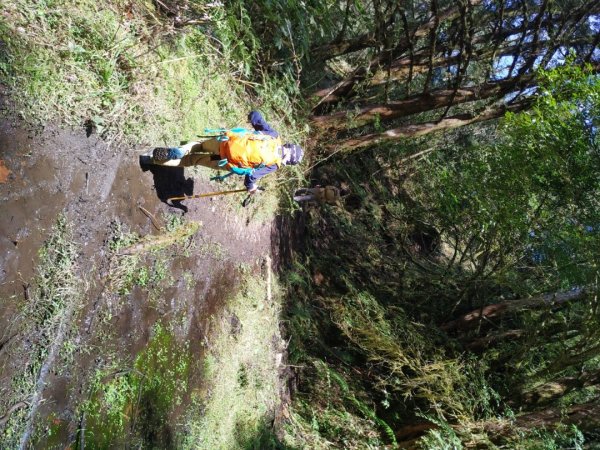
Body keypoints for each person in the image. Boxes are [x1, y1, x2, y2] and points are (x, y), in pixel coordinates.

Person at [153, 111, 303, 194]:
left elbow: (256, 116)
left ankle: (182, 150)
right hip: (224, 160)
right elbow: (251, 176)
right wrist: (252, 188)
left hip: (225, 141)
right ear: (288, 162)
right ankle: (154, 160)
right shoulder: (274, 164)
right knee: (191, 161)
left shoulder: (274, 136)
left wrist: (251, 116)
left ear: (288, 146)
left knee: (198, 146)